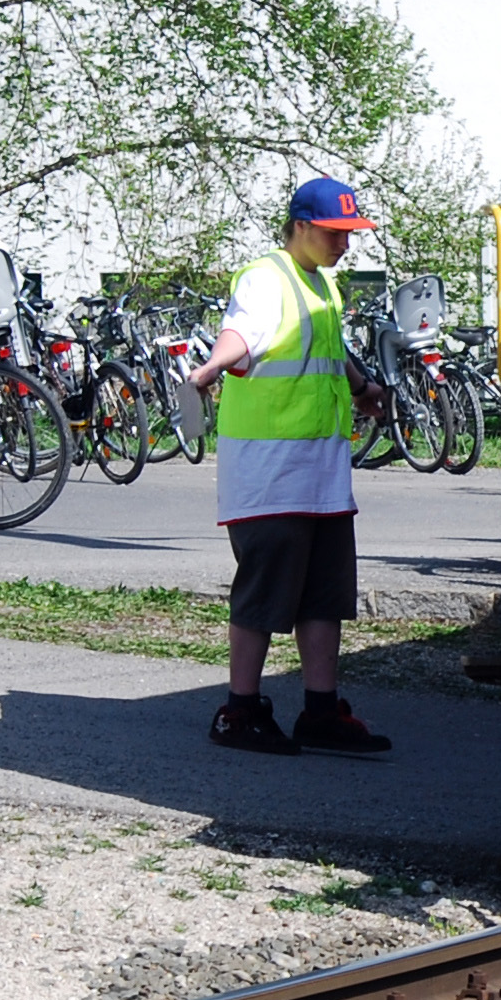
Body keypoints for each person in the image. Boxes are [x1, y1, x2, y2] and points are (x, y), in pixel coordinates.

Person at [184, 177, 392, 757]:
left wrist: (362, 388)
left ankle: (320, 712)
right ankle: (239, 710)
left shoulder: (321, 282)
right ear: (300, 226)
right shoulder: (264, 278)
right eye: (334, 233)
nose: (344, 244)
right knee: (264, 592)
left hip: (321, 472)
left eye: (350, 234)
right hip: (270, 471)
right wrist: (210, 369)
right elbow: (242, 334)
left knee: (325, 594)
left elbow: (327, 349)